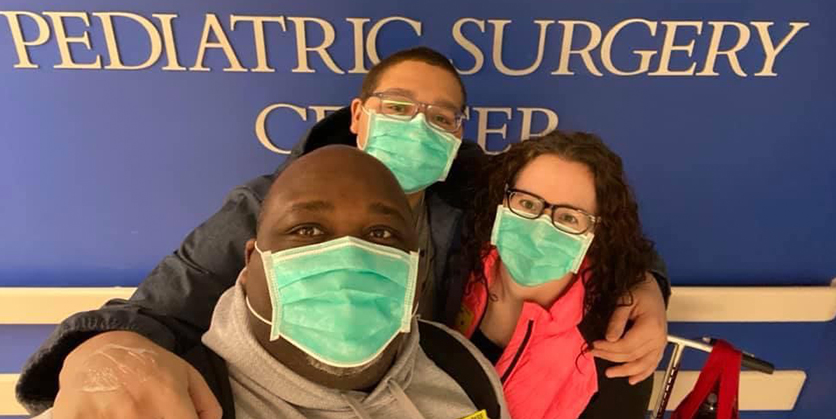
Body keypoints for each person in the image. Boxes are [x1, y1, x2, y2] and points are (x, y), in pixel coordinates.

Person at [17, 47, 670, 418]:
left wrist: (647, 287)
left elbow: (575, 220)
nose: (418, 126)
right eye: (398, 107)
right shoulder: (267, 204)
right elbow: (159, 308)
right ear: (359, 114)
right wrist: (103, 351)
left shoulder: (469, 196)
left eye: (441, 117)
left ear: (455, 137)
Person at [35, 146, 510, 419]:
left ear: (416, 266)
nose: (349, 255)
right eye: (308, 230)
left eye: (381, 234)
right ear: (252, 259)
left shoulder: (459, 366)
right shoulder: (166, 401)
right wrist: (103, 347)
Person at [455, 131, 660, 419]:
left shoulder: (615, 350)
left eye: (568, 217)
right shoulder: (456, 265)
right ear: (502, 199)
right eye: (527, 203)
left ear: (596, 232)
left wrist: (650, 286)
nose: (539, 230)